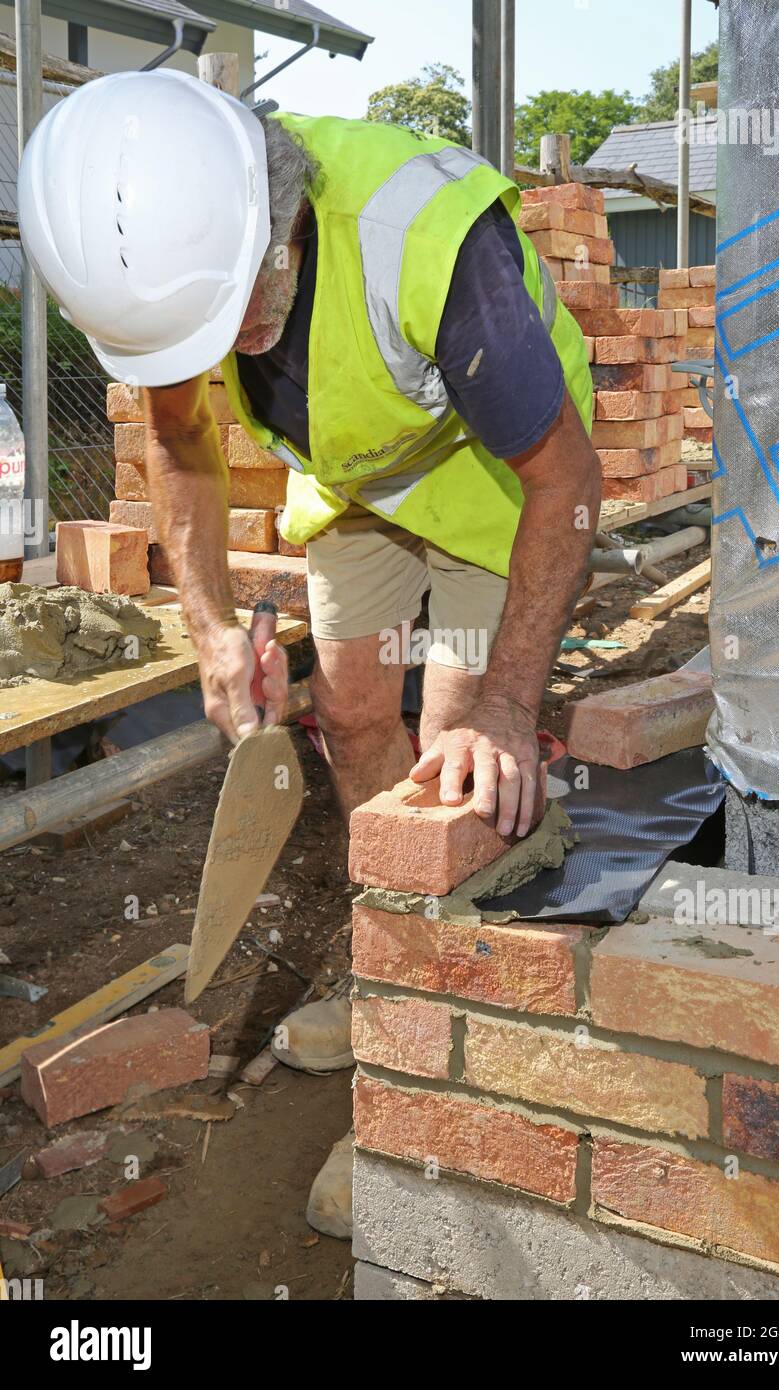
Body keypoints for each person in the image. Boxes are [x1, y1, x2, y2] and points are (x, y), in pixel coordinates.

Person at [19, 68, 601, 1238]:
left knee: (453, 752)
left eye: (237, 306)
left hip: (497, 478)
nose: (225, 344)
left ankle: (439, 1060)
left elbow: (566, 481)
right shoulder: (167, 258)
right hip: (356, 476)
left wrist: (502, 702)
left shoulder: (427, 239)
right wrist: (214, 630)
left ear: (279, 215)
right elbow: (180, 437)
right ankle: (389, 960)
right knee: (348, 716)